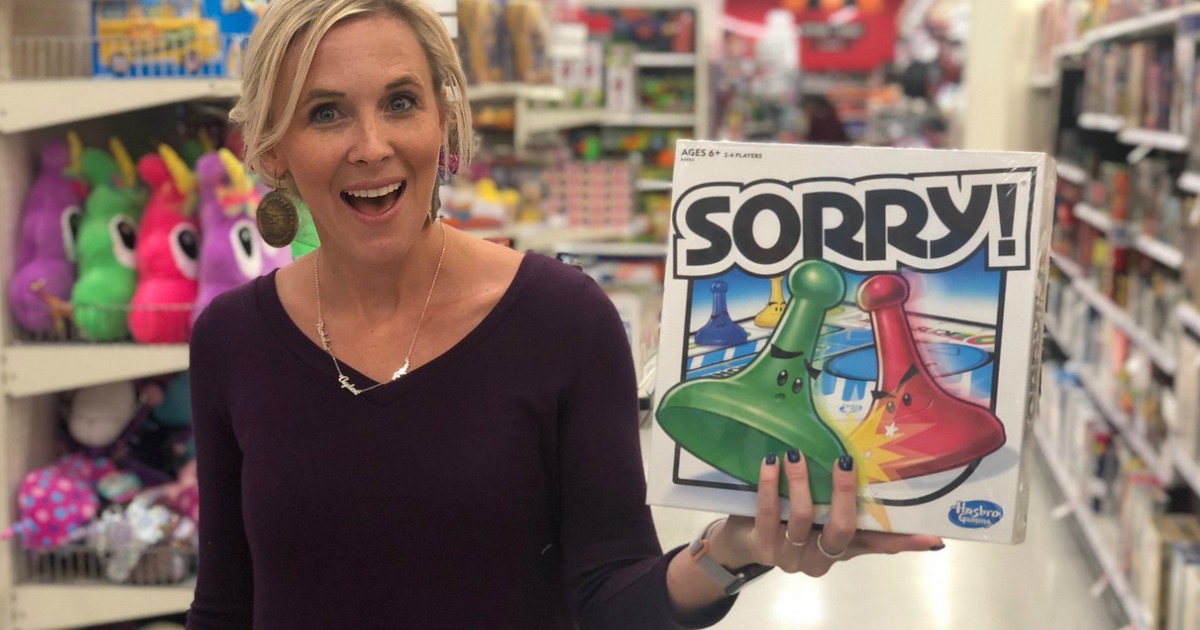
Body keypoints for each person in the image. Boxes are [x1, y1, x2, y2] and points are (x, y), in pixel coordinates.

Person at [186, 1, 943, 628]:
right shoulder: (231, 341)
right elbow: (224, 606)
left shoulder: (561, 321)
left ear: (443, 122)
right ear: (271, 149)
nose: (373, 146)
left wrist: (733, 548)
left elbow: (611, 592)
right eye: (326, 113)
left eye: (401, 102)